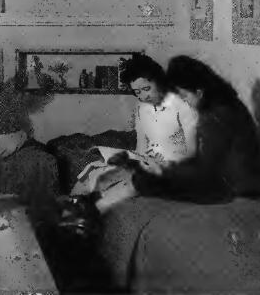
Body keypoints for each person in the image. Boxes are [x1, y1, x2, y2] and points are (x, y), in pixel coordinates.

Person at [69, 54, 199, 214]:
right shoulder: (142, 108)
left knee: (119, 188)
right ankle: (70, 213)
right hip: (147, 162)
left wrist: (165, 162)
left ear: (158, 81)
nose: (143, 96)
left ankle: (87, 215)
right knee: (94, 175)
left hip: (174, 167)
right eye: (137, 92)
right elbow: (141, 146)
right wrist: (139, 159)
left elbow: (193, 151)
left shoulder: (182, 107)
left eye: (146, 89)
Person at [130, 55, 260, 203]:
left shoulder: (216, 116)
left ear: (199, 93)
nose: (183, 101)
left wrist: (165, 170)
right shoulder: (227, 103)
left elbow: (205, 170)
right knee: (143, 176)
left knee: (144, 181)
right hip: (234, 181)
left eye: (183, 95)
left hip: (235, 189)